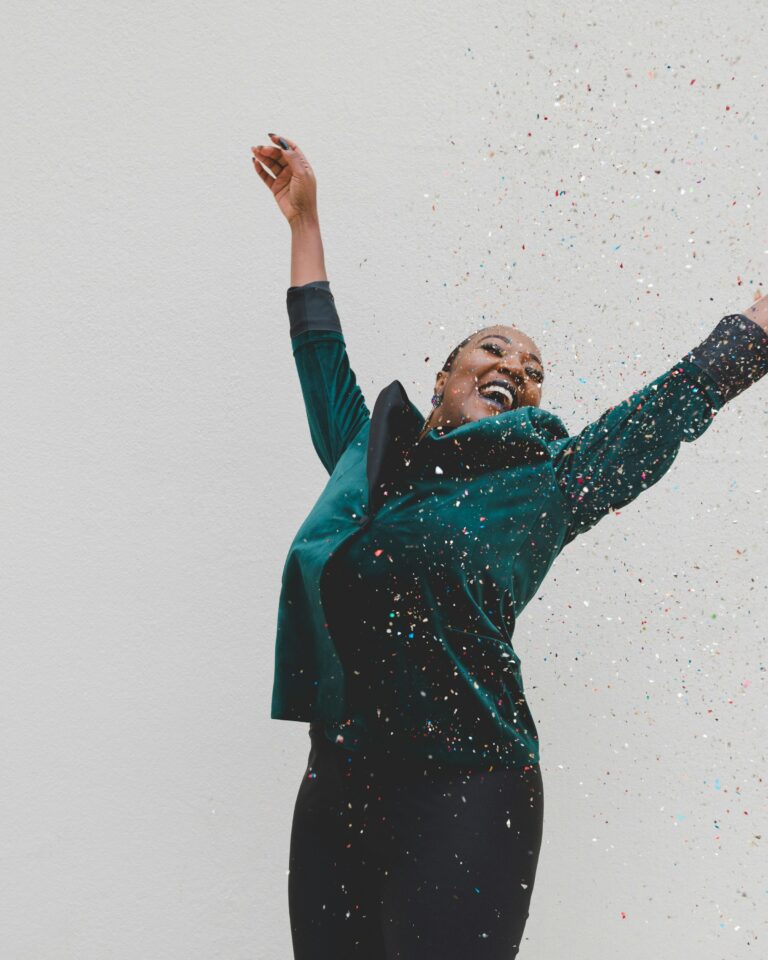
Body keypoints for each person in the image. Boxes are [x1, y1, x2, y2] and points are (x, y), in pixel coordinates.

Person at [251, 133, 768, 959]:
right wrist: (303, 221)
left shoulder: (548, 484)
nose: (518, 369)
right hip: (339, 780)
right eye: (495, 348)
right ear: (443, 378)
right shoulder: (366, 455)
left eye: (534, 369)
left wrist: (759, 324)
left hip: (468, 788)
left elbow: (666, 409)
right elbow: (319, 354)